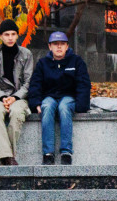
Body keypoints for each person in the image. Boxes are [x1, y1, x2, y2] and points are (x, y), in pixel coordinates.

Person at [26, 31, 91, 165]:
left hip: (68, 97)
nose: (59, 47)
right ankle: (48, 154)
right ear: (50, 47)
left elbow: (83, 84)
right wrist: (35, 103)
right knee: (47, 107)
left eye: (62, 44)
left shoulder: (76, 61)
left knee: (64, 107)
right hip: (49, 97)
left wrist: (81, 106)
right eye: (56, 44)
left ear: (67, 46)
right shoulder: (43, 63)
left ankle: (66, 152)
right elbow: (35, 84)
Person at [0, 19, 34, 166]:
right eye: (7, 34)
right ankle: (9, 158)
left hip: (19, 96)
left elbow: (28, 82)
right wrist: (3, 97)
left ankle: (6, 158)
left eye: (13, 34)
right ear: (0, 36)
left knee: (17, 113)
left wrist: (14, 97)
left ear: (17, 36)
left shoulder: (26, 54)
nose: (10, 37)